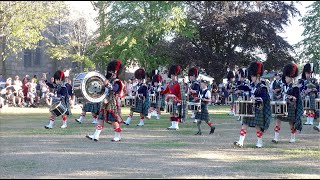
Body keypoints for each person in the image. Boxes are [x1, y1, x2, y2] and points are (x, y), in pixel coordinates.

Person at [233, 61, 272, 148]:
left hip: (258, 108)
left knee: (258, 126)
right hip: (250, 107)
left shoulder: (263, 87)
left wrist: (256, 99)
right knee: (244, 123)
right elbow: (245, 88)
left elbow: (264, 98)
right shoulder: (251, 85)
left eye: (253, 76)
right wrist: (238, 88)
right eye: (251, 76)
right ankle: (240, 141)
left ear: (257, 76)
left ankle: (260, 142)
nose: (251, 77)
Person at [86, 59, 125, 142]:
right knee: (100, 118)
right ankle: (96, 135)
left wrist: (107, 84)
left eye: (112, 71)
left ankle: (118, 136)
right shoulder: (109, 80)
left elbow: (114, 90)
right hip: (105, 102)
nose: (110, 73)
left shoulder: (118, 81)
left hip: (113, 103)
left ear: (116, 72)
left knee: (113, 120)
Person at [272, 63, 303, 143]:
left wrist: (289, 96)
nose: (285, 78)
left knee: (291, 123)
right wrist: (278, 96)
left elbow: (295, 98)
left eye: (286, 76)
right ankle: (276, 138)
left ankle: (293, 138)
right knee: (278, 120)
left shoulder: (295, 87)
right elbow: (281, 95)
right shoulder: (284, 86)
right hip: (282, 106)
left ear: (291, 76)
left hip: (290, 107)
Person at [160, 65, 187, 130]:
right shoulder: (170, 83)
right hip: (170, 100)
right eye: (171, 75)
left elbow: (181, 93)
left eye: (173, 76)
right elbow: (166, 90)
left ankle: (176, 125)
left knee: (176, 113)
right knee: (171, 112)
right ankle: (172, 125)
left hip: (176, 100)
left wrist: (179, 101)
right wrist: (161, 91)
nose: (171, 77)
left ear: (176, 76)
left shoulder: (179, 83)